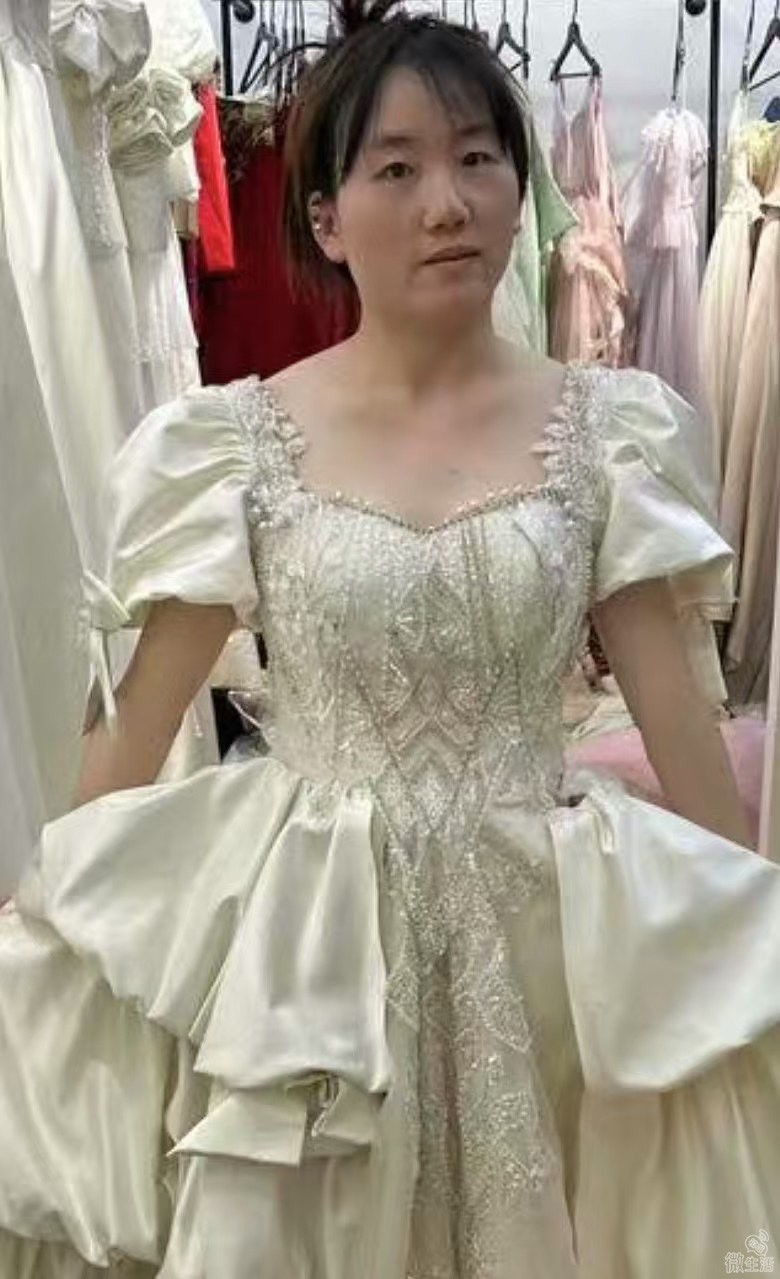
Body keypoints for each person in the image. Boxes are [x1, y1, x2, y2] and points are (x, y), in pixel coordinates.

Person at [1, 3, 780, 1276]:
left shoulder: (608, 431)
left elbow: (680, 725)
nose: (447, 204)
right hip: (314, 947)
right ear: (325, 215)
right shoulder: (235, 444)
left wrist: (748, 941)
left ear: (521, 191)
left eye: (478, 159)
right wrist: (51, 914)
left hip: (541, 936)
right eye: (399, 168)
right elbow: (141, 719)